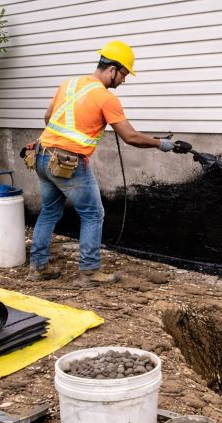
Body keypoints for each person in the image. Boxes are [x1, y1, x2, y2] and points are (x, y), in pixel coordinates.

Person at [27, 40, 190, 286]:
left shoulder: (69, 84)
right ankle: (90, 274)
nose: (123, 81)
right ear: (112, 69)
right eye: (124, 74)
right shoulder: (106, 98)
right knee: (93, 214)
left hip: (41, 155)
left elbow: (49, 117)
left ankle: (37, 269)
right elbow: (130, 137)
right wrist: (160, 143)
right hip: (68, 163)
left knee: (50, 210)